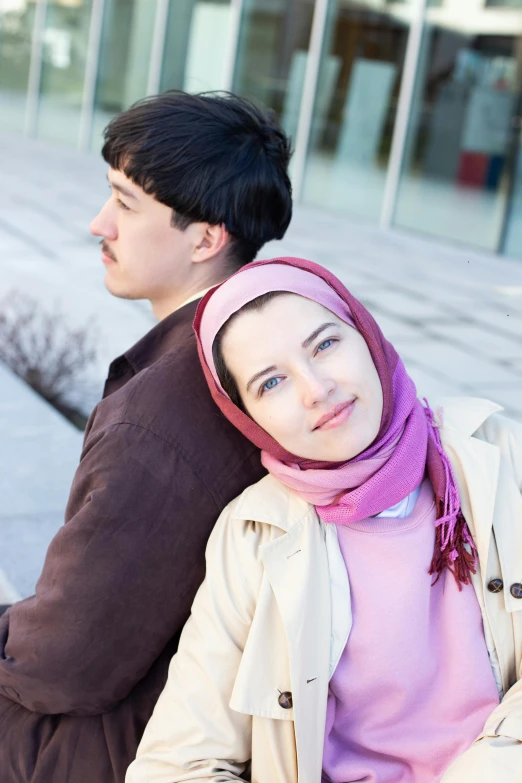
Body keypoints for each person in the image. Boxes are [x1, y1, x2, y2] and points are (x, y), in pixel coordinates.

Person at [128, 256, 522, 783]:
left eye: (325, 344)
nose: (316, 388)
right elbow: (175, 764)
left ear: (365, 334)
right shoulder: (253, 535)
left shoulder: (495, 453)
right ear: (248, 418)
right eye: (271, 384)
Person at [0, 92, 292, 783]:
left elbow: (68, 663)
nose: (99, 223)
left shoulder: (165, 413)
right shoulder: (252, 347)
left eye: (125, 204)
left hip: (132, 743)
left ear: (205, 238)